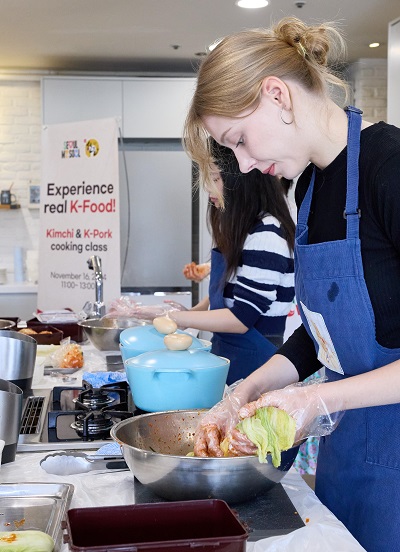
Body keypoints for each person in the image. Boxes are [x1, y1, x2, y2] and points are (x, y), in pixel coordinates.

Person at [182, 16, 400, 552]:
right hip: (347, 463)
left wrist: (316, 402)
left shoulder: (388, 167)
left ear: (277, 95)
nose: (245, 164)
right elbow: (319, 335)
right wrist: (247, 390)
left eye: (238, 140)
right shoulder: (311, 189)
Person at [136, 139, 295, 385]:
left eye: (215, 178)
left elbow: (241, 318)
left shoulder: (267, 235)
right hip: (230, 354)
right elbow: (227, 291)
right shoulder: (244, 229)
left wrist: (177, 318)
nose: (208, 187)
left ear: (242, 181)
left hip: (259, 362)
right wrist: (190, 313)